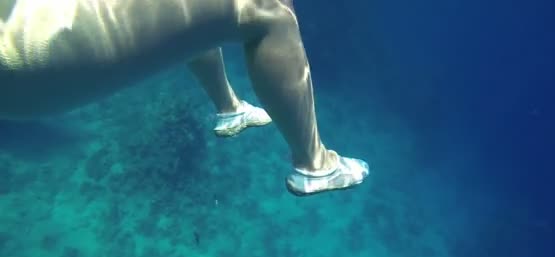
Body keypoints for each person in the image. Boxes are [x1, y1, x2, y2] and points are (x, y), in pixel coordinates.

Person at [0, 0, 369, 196]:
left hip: (20, 62)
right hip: (25, 53)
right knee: (266, 7)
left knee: (195, 12)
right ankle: (316, 165)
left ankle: (231, 110)